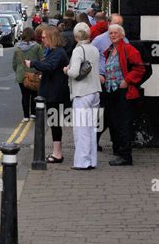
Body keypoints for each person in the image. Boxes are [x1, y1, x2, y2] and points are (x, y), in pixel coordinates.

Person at [25, 26, 70, 163]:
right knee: (54, 123)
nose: (42, 39)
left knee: (55, 123)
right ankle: (57, 152)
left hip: (55, 94)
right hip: (53, 92)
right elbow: (51, 68)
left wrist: (32, 63)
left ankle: (57, 154)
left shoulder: (58, 52)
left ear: (51, 37)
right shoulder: (53, 51)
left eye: (44, 37)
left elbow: (49, 66)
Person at [104, 24, 145, 166]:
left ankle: (126, 156)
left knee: (123, 124)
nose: (113, 35)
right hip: (111, 92)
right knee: (115, 123)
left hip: (124, 93)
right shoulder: (110, 51)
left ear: (121, 35)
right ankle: (120, 153)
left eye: (115, 33)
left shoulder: (128, 49)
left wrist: (127, 80)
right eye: (111, 33)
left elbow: (140, 68)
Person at [63, 22, 102, 170]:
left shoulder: (78, 50)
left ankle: (82, 162)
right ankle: (91, 161)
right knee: (91, 128)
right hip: (95, 92)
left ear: (75, 36)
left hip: (82, 93)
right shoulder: (94, 49)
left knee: (81, 129)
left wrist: (66, 70)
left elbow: (74, 73)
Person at [92, 13, 129, 151]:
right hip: (103, 82)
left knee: (111, 115)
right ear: (108, 24)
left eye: (120, 25)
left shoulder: (125, 41)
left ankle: (116, 145)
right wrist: (97, 74)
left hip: (118, 84)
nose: (117, 28)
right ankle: (96, 141)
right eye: (114, 24)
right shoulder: (98, 40)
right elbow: (89, 58)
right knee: (105, 114)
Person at [12, 27, 44, 121]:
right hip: (34, 74)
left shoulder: (17, 49)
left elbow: (14, 64)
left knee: (24, 95)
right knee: (34, 94)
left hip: (21, 75)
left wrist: (18, 72)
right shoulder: (37, 47)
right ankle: (33, 114)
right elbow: (42, 60)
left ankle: (26, 116)